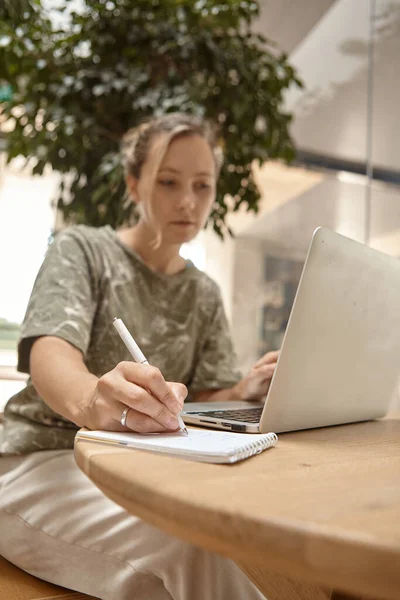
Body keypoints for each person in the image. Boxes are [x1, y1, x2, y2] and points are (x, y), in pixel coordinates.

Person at [0, 113, 279, 600]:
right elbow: (50, 354)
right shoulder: (82, 250)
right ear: (133, 185)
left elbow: (208, 392)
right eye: (168, 182)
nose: (188, 201)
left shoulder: (203, 293)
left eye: (203, 186)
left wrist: (243, 391)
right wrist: (92, 401)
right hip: (42, 457)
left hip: (142, 468)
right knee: (193, 553)